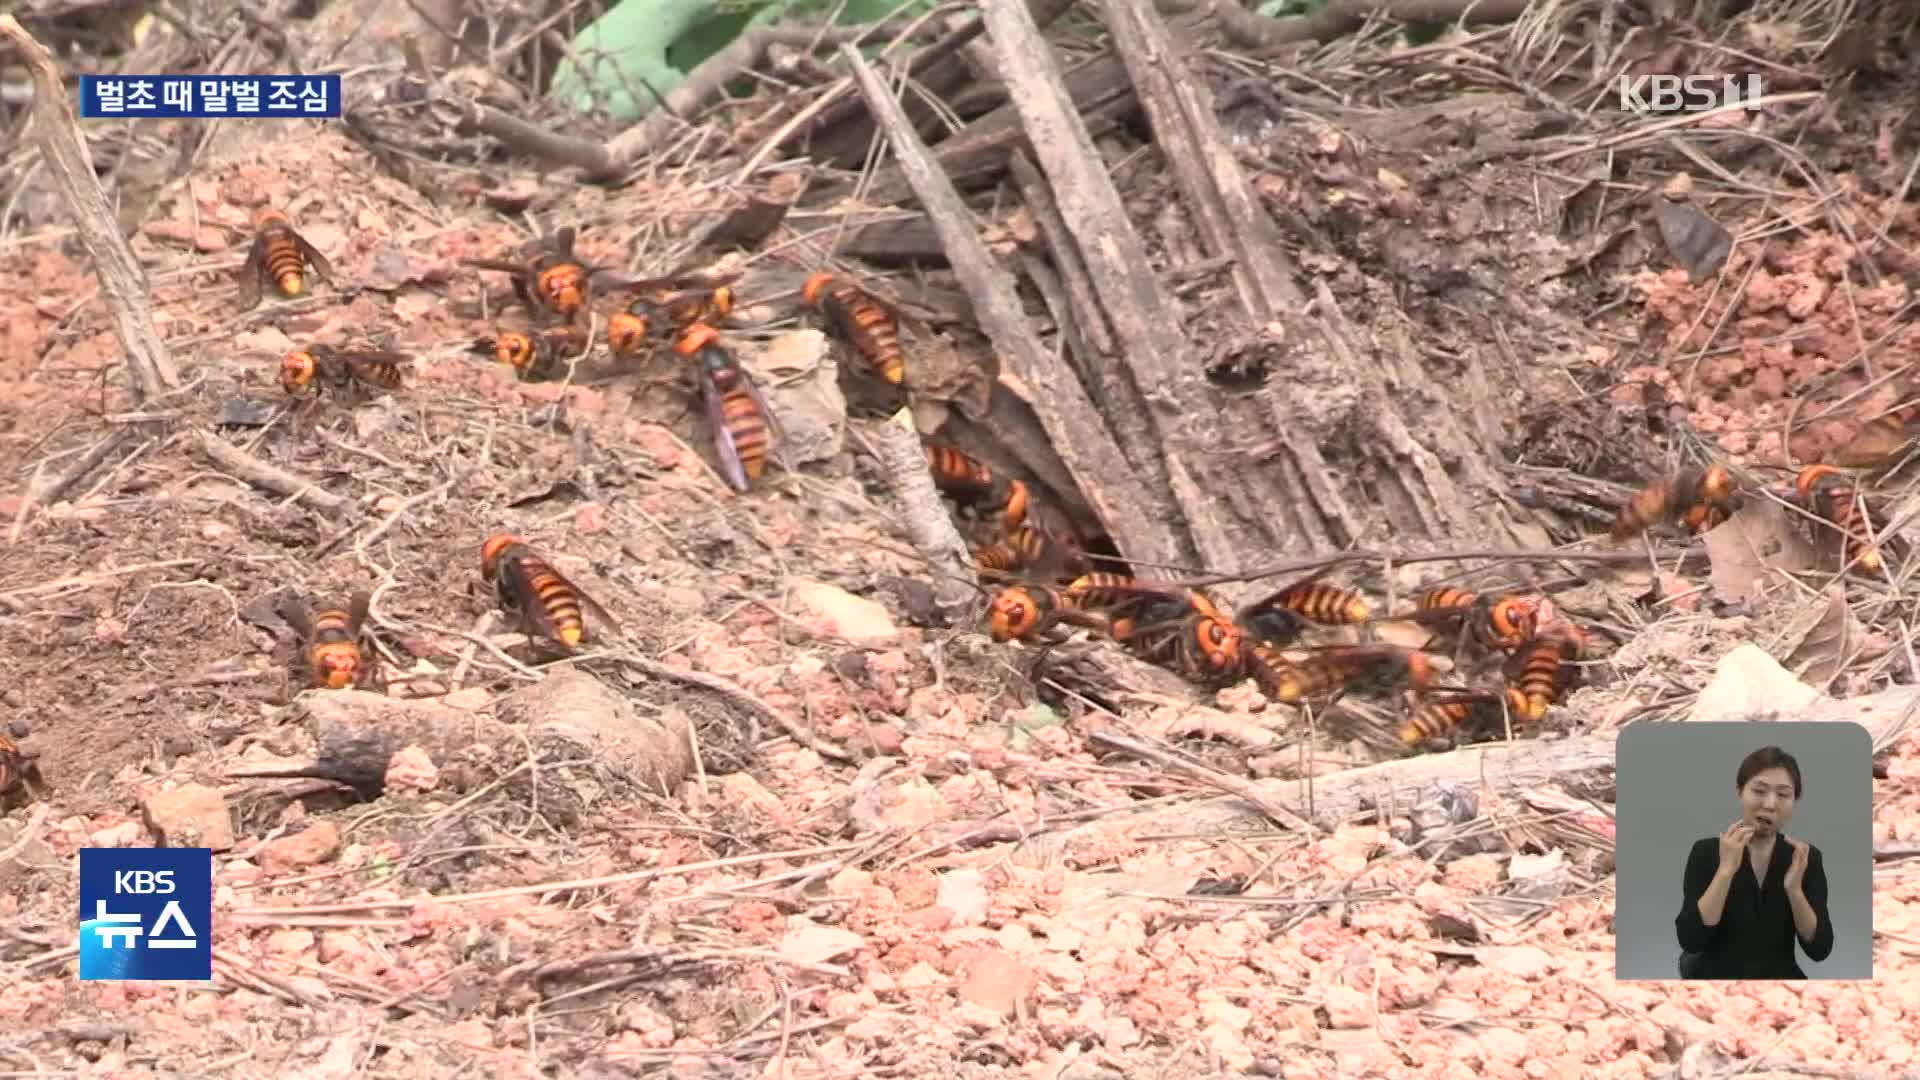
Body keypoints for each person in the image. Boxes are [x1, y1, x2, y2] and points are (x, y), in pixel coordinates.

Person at [1674, 745, 1835, 978]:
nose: (1770, 804)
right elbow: (1691, 939)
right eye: (1759, 791)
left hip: (1780, 985)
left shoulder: (1805, 858)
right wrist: (1725, 871)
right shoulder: (1706, 851)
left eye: (1783, 794)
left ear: (1794, 800)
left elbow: (1819, 949)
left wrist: (1794, 890)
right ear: (1740, 791)